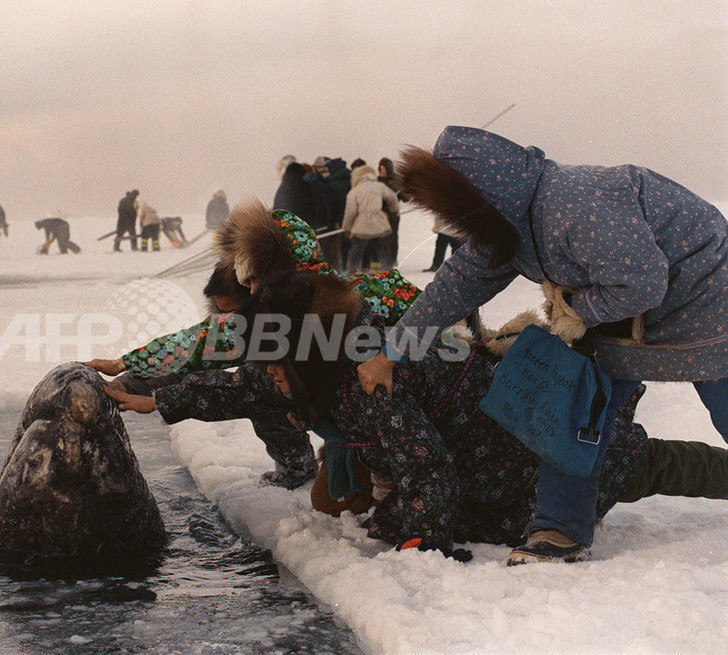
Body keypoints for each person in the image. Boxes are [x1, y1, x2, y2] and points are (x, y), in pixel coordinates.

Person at [357, 125, 728, 564]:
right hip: (631, 314)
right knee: (576, 407)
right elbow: (452, 289)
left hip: (706, 295)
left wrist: (579, 309)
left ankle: (561, 523)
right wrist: (389, 353)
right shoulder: (509, 224)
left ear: (483, 196)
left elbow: (642, 281)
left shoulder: (570, 206)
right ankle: (559, 530)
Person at [190, 269, 728, 555]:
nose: (271, 374)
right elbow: (249, 388)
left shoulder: (371, 378)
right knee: (650, 463)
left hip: (530, 459)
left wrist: (420, 538)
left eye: (277, 361)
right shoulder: (343, 355)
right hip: (498, 458)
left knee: (651, 465)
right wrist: (160, 397)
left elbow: (430, 471)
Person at [87, 200, 421, 488]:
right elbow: (204, 343)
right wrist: (129, 367)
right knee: (272, 381)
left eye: (256, 280)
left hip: (408, 426)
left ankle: (337, 471)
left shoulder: (307, 315)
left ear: (282, 272)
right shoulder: (331, 297)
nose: (250, 292)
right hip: (368, 423)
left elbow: (234, 376)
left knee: (268, 384)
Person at [341, 165, 398, 274]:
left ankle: (352, 274)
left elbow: (350, 213)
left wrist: (346, 228)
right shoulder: (380, 186)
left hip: (361, 226)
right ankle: (388, 273)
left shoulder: (354, 191)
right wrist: (394, 211)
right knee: (383, 251)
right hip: (379, 224)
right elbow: (392, 197)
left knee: (355, 253)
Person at [377, 158, 404, 266]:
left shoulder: (396, 180)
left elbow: (406, 197)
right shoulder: (378, 180)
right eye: (380, 168)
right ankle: (383, 260)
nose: (381, 171)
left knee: (392, 238)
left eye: (383, 168)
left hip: (393, 214)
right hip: (381, 214)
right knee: (382, 238)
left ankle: (393, 260)